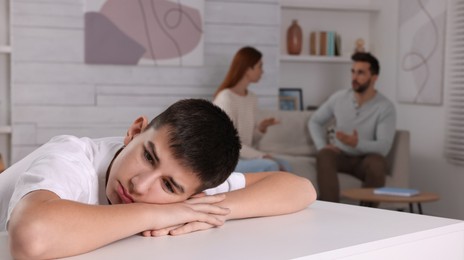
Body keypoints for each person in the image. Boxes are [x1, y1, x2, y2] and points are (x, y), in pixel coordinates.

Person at [0, 99, 316, 259]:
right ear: (135, 131)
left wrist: (208, 212)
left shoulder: (189, 183)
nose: (140, 184)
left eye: (167, 186)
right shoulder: (70, 157)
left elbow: (301, 188)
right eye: (148, 156)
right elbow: (32, 239)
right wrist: (163, 211)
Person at [308, 52, 396, 203]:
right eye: (353, 72)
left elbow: (383, 147)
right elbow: (314, 121)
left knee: (378, 163)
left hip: (365, 159)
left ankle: (368, 217)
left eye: (361, 73)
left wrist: (357, 143)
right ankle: (331, 213)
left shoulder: (385, 107)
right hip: (340, 155)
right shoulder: (339, 98)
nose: (354, 77)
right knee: (324, 155)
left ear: (374, 77)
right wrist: (322, 146)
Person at [213, 46, 292, 173]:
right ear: (247, 69)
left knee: (285, 165)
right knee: (270, 166)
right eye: (259, 66)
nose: (262, 71)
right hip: (227, 160)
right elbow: (229, 143)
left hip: (244, 156)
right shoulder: (226, 98)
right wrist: (262, 155)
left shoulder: (252, 98)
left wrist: (261, 128)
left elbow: (249, 141)